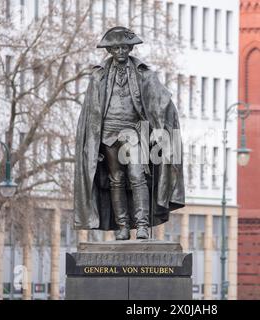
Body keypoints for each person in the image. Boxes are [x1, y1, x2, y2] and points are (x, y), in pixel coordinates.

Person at [74, 27, 185, 240]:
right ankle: (122, 226)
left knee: (137, 176)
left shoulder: (144, 74)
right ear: (110, 51)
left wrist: (162, 124)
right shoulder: (98, 76)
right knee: (116, 179)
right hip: (108, 133)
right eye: (116, 48)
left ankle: (142, 225)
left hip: (135, 132)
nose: (121, 51)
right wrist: (92, 144)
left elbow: (162, 102)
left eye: (125, 47)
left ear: (131, 48)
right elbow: (90, 113)